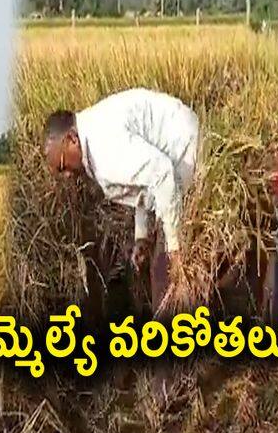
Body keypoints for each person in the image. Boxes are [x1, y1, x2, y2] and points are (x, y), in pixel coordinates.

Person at [43, 88, 200, 316]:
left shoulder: (104, 149)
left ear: (71, 140)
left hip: (184, 150)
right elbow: (142, 181)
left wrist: (175, 249)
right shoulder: (93, 134)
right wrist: (141, 236)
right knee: (158, 268)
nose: (67, 175)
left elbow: (162, 172)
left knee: (164, 274)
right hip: (175, 149)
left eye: (63, 166)